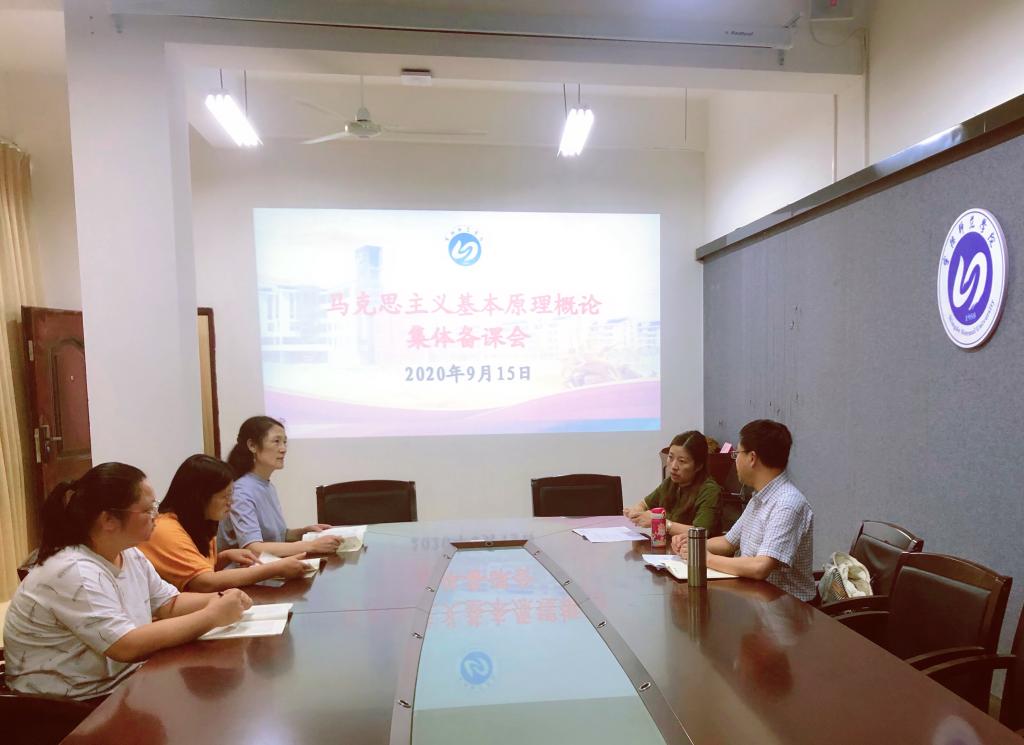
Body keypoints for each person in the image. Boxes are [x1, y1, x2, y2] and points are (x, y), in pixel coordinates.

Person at [2, 463, 252, 701]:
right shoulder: (73, 570)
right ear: (108, 520)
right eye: (147, 510)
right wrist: (211, 616)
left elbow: (169, 603)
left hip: (121, 683)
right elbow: (125, 645)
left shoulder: (129, 553)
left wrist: (222, 599)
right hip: (67, 704)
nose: (156, 516)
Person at [672, 419, 815, 601]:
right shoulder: (759, 498)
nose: (735, 461)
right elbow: (728, 543)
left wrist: (704, 558)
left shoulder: (787, 504)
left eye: (737, 454)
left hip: (788, 608)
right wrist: (693, 545)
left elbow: (760, 567)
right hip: (756, 599)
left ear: (752, 458)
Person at [139, 454, 313, 591]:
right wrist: (274, 569)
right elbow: (204, 583)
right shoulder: (165, 529)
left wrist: (223, 558)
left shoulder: (201, 523)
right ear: (200, 498)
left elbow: (198, 569)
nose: (231, 502)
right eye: (225, 496)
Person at [217, 416, 341, 556]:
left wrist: (303, 532)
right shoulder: (241, 492)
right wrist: (310, 546)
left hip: (270, 564)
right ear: (252, 446)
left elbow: (276, 536)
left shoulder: (267, 486)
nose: (283, 449)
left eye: (284, 442)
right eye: (276, 441)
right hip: (245, 568)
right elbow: (253, 548)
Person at [624, 430, 721, 538]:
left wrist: (661, 523)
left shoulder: (710, 491)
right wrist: (636, 512)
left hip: (694, 548)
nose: (674, 466)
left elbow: (700, 532)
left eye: (682, 461)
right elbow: (644, 504)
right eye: (670, 457)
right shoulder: (670, 482)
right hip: (670, 545)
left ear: (698, 466)